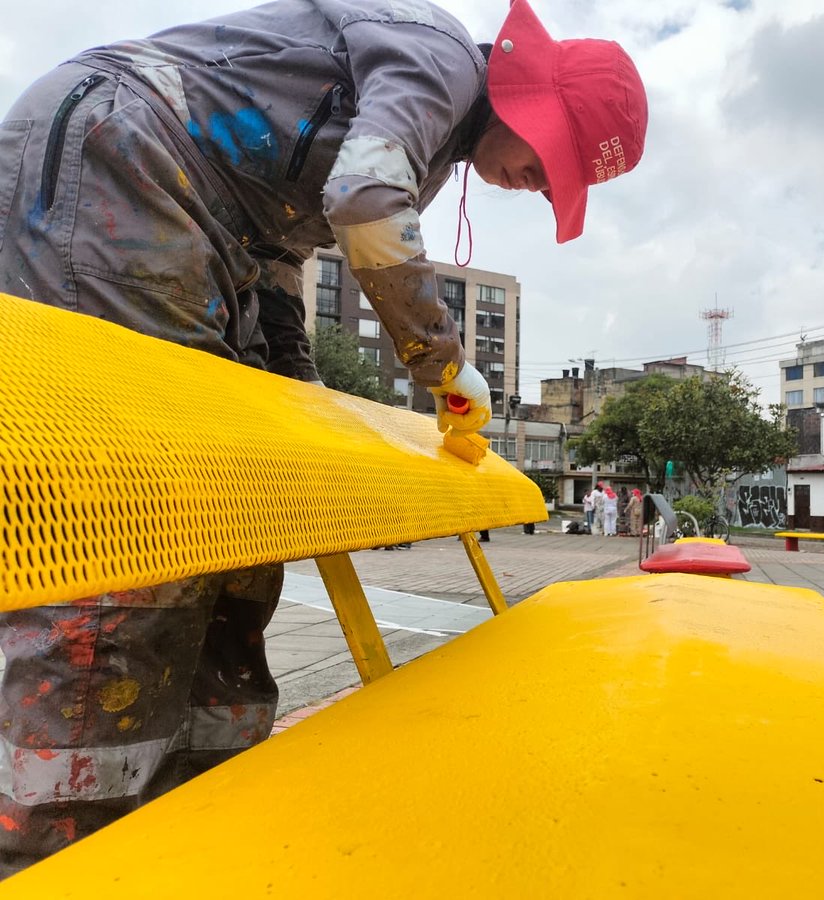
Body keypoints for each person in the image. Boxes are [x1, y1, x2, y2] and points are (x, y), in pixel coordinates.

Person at [0, 0, 647, 876]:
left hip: (193, 209)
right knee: (147, 497)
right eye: (549, 165)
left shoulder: (427, 117)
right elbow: (365, 199)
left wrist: (295, 389)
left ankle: (205, 789)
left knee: (239, 503)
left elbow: (281, 246)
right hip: (121, 159)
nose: (537, 185)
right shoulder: (439, 59)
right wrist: (444, 365)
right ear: (532, 101)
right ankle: (58, 841)